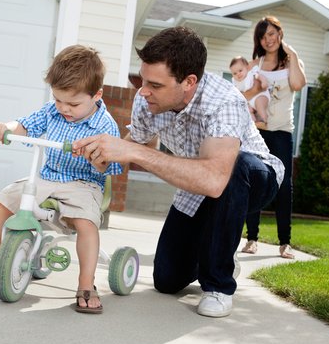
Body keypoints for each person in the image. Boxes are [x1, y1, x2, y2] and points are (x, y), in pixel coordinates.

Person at [72, 26, 284, 318]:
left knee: (237, 167)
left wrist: (135, 152)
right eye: (143, 80)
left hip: (253, 178)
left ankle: (219, 286)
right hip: (197, 183)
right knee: (167, 279)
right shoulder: (147, 100)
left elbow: (215, 179)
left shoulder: (225, 101)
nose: (144, 91)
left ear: (189, 81)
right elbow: (134, 144)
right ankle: (221, 246)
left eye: (155, 85)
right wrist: (103, 156)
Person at [0, 44, 123, 314]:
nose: (64, 108)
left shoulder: (105, 125)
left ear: (96, 95)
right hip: (47, 177)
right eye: (58, 100)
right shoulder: (51, 111)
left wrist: (94, 157)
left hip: (84, 184)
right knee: (7, 198)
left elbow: (107, 168)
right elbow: (24, 125)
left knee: (87, 222)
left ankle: (86, 283)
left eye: (73, 104)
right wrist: (4, 128)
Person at [241, 16, 307, 259]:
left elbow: (299, 84)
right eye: (263, 35)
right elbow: (244, 95)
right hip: (257, 131)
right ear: (258, 40)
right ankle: (251, 239)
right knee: (255, 181)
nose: (268, 39)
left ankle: (285, 243)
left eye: (272, 34)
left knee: (283, 186)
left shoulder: (291, 62)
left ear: (280, 33)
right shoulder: (254, 65)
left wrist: (292, 52)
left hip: (281, 131)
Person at [229, 55, 270, 129]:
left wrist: (264, 82)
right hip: (249, 101)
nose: (238, 74)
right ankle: (254, 122)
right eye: (235, 73)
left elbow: (259, 76)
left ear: (247, 68)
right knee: (247, 109)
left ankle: (264, 120)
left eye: (240, 71)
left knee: (260, 105)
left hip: (260, 95)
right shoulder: (235, 82)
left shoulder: (251, 73)